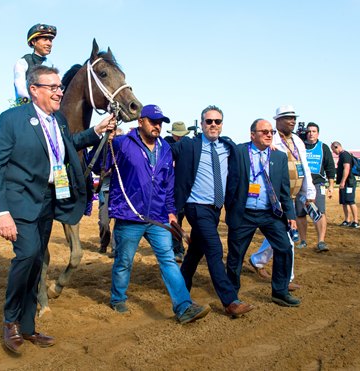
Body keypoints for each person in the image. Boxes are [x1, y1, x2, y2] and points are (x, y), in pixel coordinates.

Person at [0, 65, 115, 354]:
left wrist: (96, 130)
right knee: (28, 254)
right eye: (53, 87)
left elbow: (68, 145)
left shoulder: (58, 120)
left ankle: (28, 327)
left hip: (49, 200)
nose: (60, 91)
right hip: (19, 201)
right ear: (34, 90)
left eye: (60, 87)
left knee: (37, 262)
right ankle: (10, 321)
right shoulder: (11, 120)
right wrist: (0, 212)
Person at [108, 104, 211, 324]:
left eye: (160, 122)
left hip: (158, 216)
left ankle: (184, 306)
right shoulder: (121, 143)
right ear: (140, 121)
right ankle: (117, 298)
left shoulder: (165, 148)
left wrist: (172, 212)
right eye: (153, 121)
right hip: (129, 216)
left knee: (168, 260)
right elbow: (101, 164)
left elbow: (168, 183)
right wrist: (104, 138)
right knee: (124, 261)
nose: (158, 126)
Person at [172, 105, 254, 317]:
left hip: (216, 208)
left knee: (194, 253)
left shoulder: (228, 147)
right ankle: (230, 301)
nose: (213, 125)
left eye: (217, 121)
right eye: (209, 121)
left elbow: (250, 151)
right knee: (215, 250)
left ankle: (180, 289)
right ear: (201, 124)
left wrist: (270, 147)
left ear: (222, 125)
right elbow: (163, 149)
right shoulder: (189, 145)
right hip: (195, 206)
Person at [226, 119, 301, 307]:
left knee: (284, 248)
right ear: (252, 135)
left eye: (271, 132)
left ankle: (280, 292)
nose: (269, 135)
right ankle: (232, 295)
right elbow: (224, 142)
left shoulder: (279, 157)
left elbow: (284, 190)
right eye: (264, 132)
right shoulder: (239, 151)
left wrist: (290, 216)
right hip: (244, 213)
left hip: (270, 214)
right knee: (236, 255)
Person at [249, 105, 316, 289]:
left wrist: (308, 192)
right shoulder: (269, 140)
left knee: (279, 234)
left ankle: (257, 259)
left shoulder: (297, 141)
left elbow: (304, 167)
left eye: (293, 117)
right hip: (275, 198)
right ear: (277, 120)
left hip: (292, 197)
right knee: (287, 238)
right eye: (287, 118)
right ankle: (288, 278)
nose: (292, 121)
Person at [294, 123, 336, 251]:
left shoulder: (323, 147)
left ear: (318, 133)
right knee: (300, 213)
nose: (311, 133)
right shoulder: (299, 146)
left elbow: (330, 167)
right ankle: (303, 240)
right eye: (309, 131)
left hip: (318, 184)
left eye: (314, 131)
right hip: (301, 184)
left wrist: (331, 186)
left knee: (320, 212)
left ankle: (321, 241)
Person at [89, 127, 124, 256]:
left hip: (119, 191)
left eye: (114, 133)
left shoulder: (121, 150)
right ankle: (104, 243)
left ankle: (115, 249)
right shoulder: (103, 149)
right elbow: (95, 167)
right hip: (105, 191)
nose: (111, 135)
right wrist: (105, 170)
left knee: (118, 221)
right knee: (104, 222)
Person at [164, 121, 190, 262]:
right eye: (177, 135)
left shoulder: (187, 145)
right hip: (173, 192)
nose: (179, 138)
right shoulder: (166, 145)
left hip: (187, 190)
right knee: (175, 222)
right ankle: (178, 250)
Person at [14, 23, 57, 103]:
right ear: (34, 42)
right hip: (26, 108)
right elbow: (20, 89)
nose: (49, 44)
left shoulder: (51, 65)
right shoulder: (23, 62)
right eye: (45, 40)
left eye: (50, 40)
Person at [331, 141, 360, 228]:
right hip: (344, 183)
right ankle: (347, 220)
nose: (333, 152)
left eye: (333, 149)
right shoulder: (342, 156)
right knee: (344, 201)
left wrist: (343, 181)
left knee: (350, 201)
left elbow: (346, 168)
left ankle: (356, 221)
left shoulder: (345, 155)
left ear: (337, 147)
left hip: (349, 182)